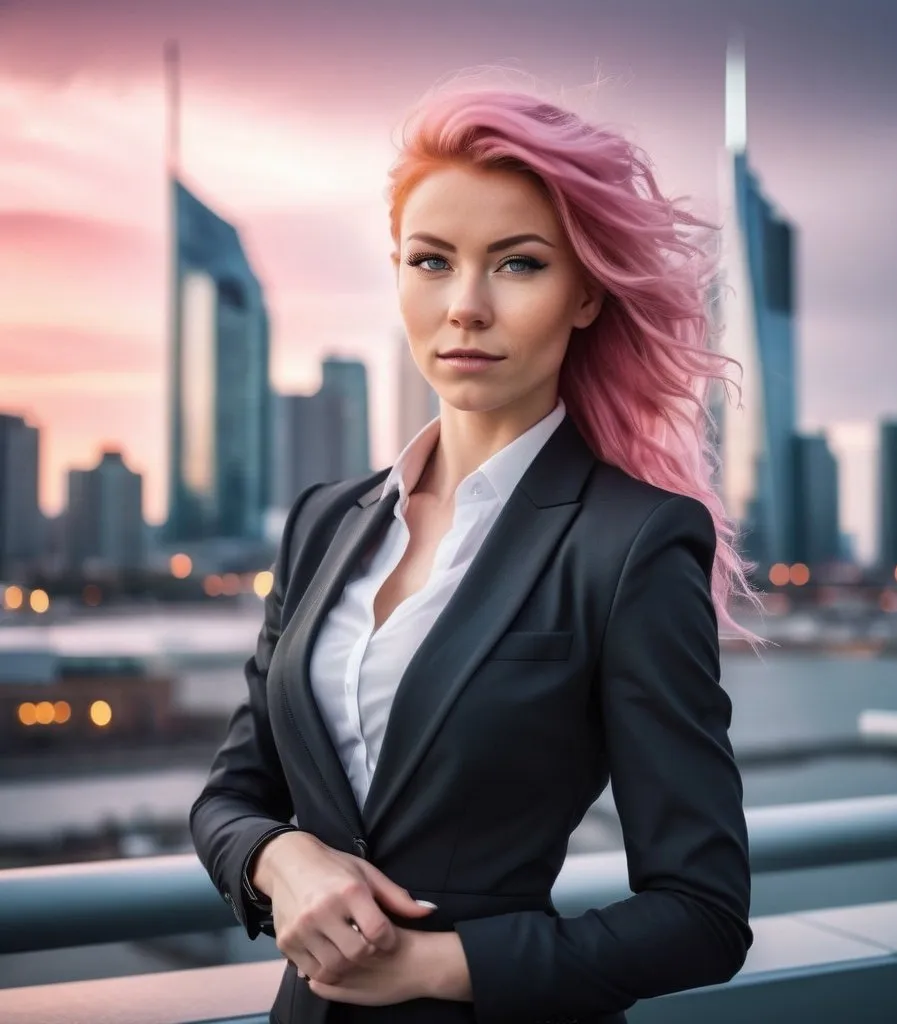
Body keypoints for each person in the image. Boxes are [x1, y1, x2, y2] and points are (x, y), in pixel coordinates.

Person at [190, 85, 755, 1024]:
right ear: (398, 273)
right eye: (431, 261)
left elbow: (702, 916)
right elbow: (232, 795)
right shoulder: (323, 524)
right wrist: (275, 859)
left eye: (518, 264)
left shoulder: (634, 544)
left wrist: (436, 966)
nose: (466, 307)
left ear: (584, 294)